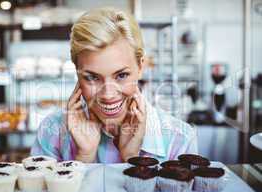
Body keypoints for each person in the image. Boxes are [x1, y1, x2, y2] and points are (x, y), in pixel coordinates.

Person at [31, 7, 198, 163]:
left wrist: (132, 159)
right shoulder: (51, 132)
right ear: (77, 72)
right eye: (92, 77)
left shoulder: (180, 140)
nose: (108, 95)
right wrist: (84, 157)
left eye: (121, 75)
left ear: (140, 67)